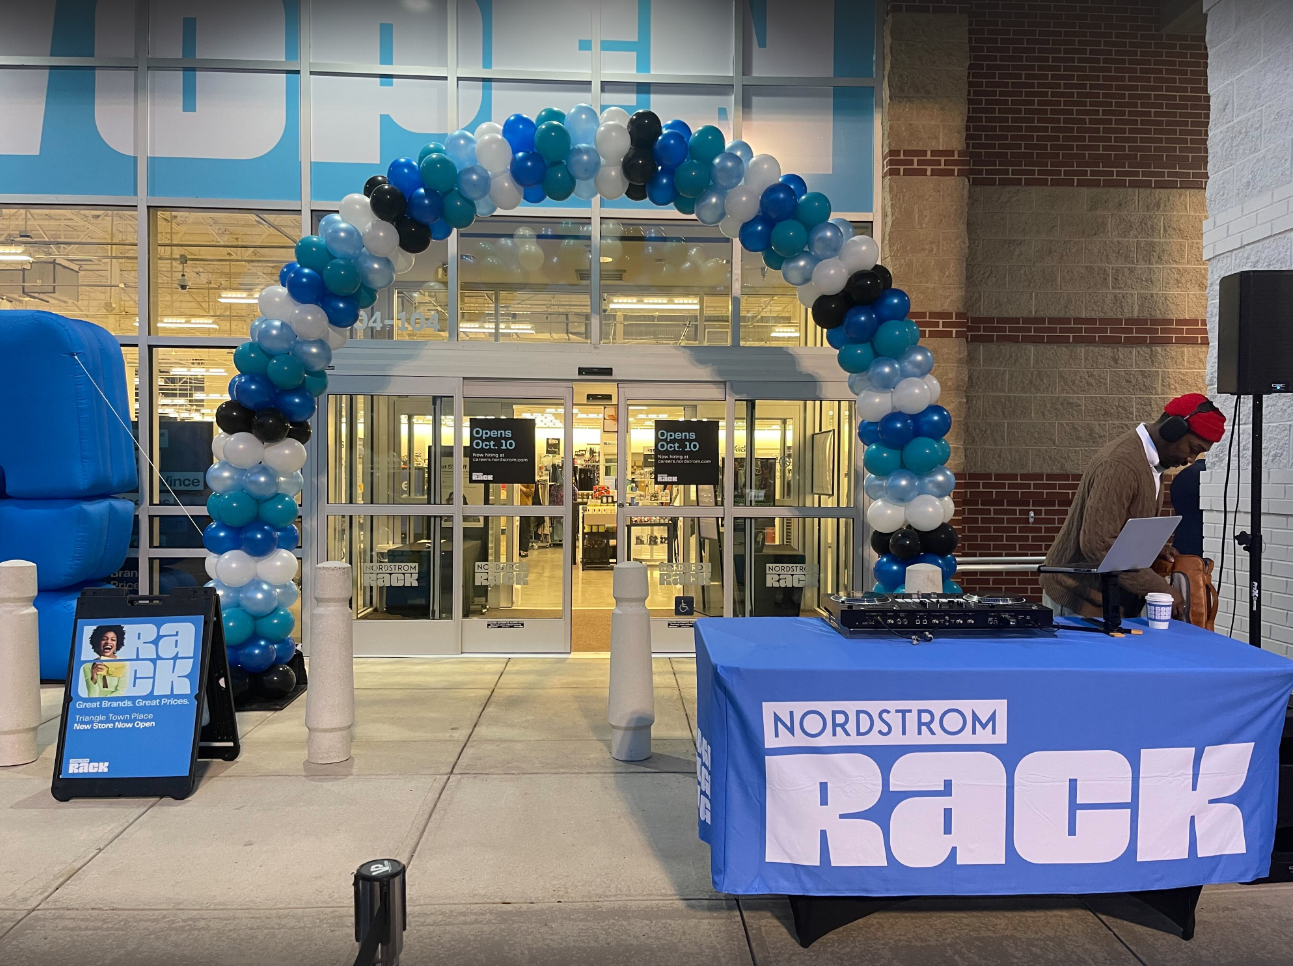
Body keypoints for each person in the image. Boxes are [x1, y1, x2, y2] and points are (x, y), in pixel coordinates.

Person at [1041, 393, 1225, 619]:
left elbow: (1121, 527)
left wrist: (1153, 549)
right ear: (1172, 430)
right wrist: (1161, 589)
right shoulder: (1122, 464)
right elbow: (1098, 544)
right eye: (1192, 448)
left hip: (1103, 600)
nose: (1191, 459)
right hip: (1078, 599)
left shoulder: (1150, 464)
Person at [81, 624, 128, 698]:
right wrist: (94, 676)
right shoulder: (87, 666)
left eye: (113, 639)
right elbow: (92, 697)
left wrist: (103, 703)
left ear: (117, 644)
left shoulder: (123, 663)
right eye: (104, 639)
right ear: (97, 642)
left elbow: (120, 692)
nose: (108, 642)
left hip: (114, 705)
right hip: (96, 706)